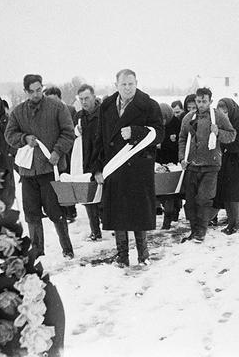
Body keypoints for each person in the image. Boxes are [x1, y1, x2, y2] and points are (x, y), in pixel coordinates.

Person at [92, 69, 164, 266]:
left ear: (136, 83)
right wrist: (97, 168)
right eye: (123, 84)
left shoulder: (149, 105)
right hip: (114, 167)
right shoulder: (106, 106)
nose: (127, 88)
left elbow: (159, 134)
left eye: (131, 84)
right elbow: (100, 138)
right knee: (118, 214)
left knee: (138, 214)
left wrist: (136, 132)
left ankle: (143, 255)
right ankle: (122, 256)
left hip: (138, 168)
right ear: (116, 85)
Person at [5, 74, 75, 260]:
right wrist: (24, 138)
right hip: (28, 173)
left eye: (39, 90)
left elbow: (68, 132)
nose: (36, 94)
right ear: (25, 91)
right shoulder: (18, 112)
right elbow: (9, 135)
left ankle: (67, 249)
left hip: (50, 170)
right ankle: (37, 251)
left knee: (56, 212)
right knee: (32, 214)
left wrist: (58, 151)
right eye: (32, 91)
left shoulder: (57, 107)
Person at [178, 87, 236, 242]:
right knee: (190, 200)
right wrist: (182, 157)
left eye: (204, 101)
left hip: (211, 164)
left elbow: (232, 135)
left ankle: (201, 232)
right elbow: (182, 138)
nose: (201, 104)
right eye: (198, 101)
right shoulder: (189, 117)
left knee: (204, 199)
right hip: (191, 165)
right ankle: (194, 231)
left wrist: (218, 133)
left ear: (210, 101)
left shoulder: (218, 116)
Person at [213, 97, 239, 234]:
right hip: (224, 161)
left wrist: (220, 136)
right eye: (221, 113)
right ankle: (231, 223)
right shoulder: (221, 124)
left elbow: (237, 145)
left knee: (233, 195)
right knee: (226, 194)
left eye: (225, 112)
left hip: (235, 162)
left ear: (231, 111)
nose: (223, 115)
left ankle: (237, 224)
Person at [44, 86, 78, 223]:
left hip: (67, 152)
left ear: (59, 98)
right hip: (52, 152)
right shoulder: (45, 112)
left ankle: (71, 211)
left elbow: (72, 131)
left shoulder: (70, 110)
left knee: (66, 180)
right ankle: (59, 210)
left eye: (54, 99)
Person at [75, 84, 103, 241]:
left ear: (94, 97)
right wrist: (75, 131)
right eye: (81, 99)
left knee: (104, 196)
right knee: (88, 197)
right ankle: (95, 231)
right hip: (85, 161)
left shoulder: (103, 115)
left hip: (101, 160)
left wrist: (99, 167)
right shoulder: (79, 116)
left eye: (86, 98)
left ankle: (110, 225)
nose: (84, 102)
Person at [157, 102, 183, 230]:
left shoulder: (176, 124)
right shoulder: (156, 125)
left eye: (164, 118)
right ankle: (169, 216)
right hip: (160, 163)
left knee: (171, 194)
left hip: (173, 163)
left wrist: (164, 144)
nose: (162, 121)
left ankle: (170, 218)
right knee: (165, 194)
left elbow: (179, 142)